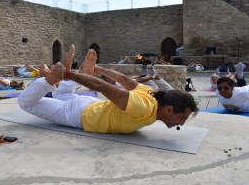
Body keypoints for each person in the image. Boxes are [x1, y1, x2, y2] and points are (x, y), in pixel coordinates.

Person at [18, 44, 198, 134]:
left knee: (63, 93)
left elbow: (122, 78)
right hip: (80, 115)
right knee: (26, 103)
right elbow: (100, 85)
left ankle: (70, 75)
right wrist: (66, 74)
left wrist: (98, 70)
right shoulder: (143, 107)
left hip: (91, 105)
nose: (181, 123)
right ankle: (51, 77)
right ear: (169, 109)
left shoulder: (151, 95)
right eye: (181, 118)